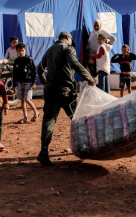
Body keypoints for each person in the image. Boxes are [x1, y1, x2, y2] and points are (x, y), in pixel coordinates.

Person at [37, 31, 95, 166]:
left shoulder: (49, 50)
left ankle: (44, 152)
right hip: (65, 91)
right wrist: (89, 77)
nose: (71, 44)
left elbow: (40, 69)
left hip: (50, 90)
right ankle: (85, 148)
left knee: (49, 120)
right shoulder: (68, 49)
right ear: (68, 39)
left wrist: (45, 82)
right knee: (77, 119)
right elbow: (74, 63)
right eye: (71, 42)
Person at [12, 42, 39, 124]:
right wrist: (14, 84)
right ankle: (25, 117)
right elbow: (15, 73)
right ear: (16, 51)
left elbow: (34, 71)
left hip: (28, 82)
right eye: (19, 50)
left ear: (25, 50)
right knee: (22, 100)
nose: (21, 52)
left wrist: (34, 82)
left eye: (22, 50)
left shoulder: (29, 59)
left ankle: (36, 112)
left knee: (27, 99)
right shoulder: (16, 61)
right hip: (20, 82)